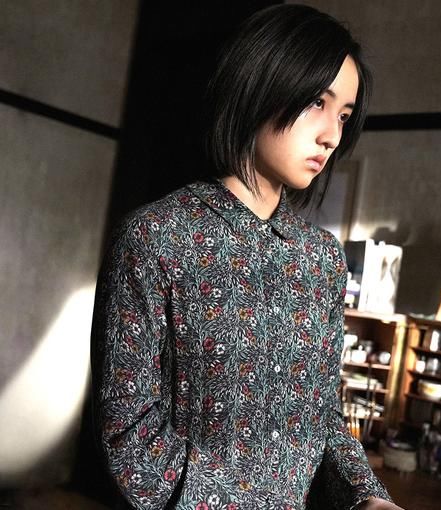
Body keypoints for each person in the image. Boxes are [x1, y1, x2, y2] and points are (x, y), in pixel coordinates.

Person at [91, 4, 403, 510]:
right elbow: (127, 430)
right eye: (317, 103)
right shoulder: (157, 236)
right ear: (260, 86)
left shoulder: (322, 259)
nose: (332, 135)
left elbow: (323, 415)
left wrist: (368, 496)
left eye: (344, 115)